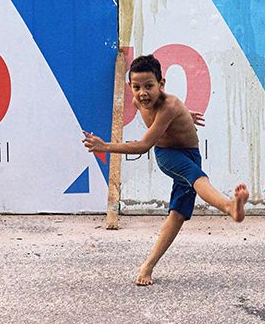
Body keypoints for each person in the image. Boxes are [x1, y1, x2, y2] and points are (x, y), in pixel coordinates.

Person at [82, 54, 248, 286]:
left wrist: (183, 114)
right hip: (168, 155)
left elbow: (153, 130)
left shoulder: (170, 105)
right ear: (130, 87)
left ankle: (147, 266)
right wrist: (104, 147)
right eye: (137, 87)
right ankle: (229, 206)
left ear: (161, 84)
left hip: (190, 154)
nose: (143, 93)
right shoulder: (138, 101)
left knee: (177, 216)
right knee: (197, 179)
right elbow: (146, 145)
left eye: (149, 86)